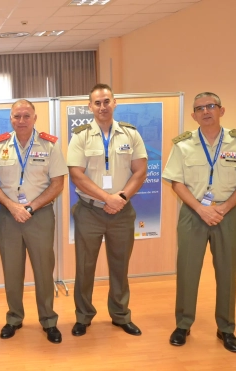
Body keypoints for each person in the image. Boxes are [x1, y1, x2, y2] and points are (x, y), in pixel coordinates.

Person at [163, 92, 236, 353]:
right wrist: (200, 209)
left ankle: (226, 328)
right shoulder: (183, 145)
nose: (205, 111)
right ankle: (183, 324)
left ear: (221, 110)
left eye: (211, 106)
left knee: (228, 272)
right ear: (193, 115)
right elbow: (176, 181)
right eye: (199, 108)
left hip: (227, 214)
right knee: (187, 270)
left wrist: (224, 207)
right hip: (193, 214)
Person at [0, 99, 68, 344]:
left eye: (26, 116)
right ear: (10, 118)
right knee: (12, 271)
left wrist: (30, 207)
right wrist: (12, 206)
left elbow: (58, 183)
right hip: (8, 216)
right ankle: (14, 318)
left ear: (34, 117)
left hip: (39, 215)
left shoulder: (49, 145)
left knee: (43, 269)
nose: (21, 121)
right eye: (17, 116)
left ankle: (49, 320)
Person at [66, 83, 148, 337]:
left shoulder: (131, 134)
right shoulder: (80, 136)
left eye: (106, 101)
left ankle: (121, 315)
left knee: (120, 266)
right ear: (89, 107)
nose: (102, 107)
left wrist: (120, 197)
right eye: (97, 103)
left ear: (115, 103)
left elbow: (140, 170)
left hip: (122, 212)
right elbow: (76, 175)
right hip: (89, 211)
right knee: (85, 267)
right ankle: (83, 316)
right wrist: (106, 198)